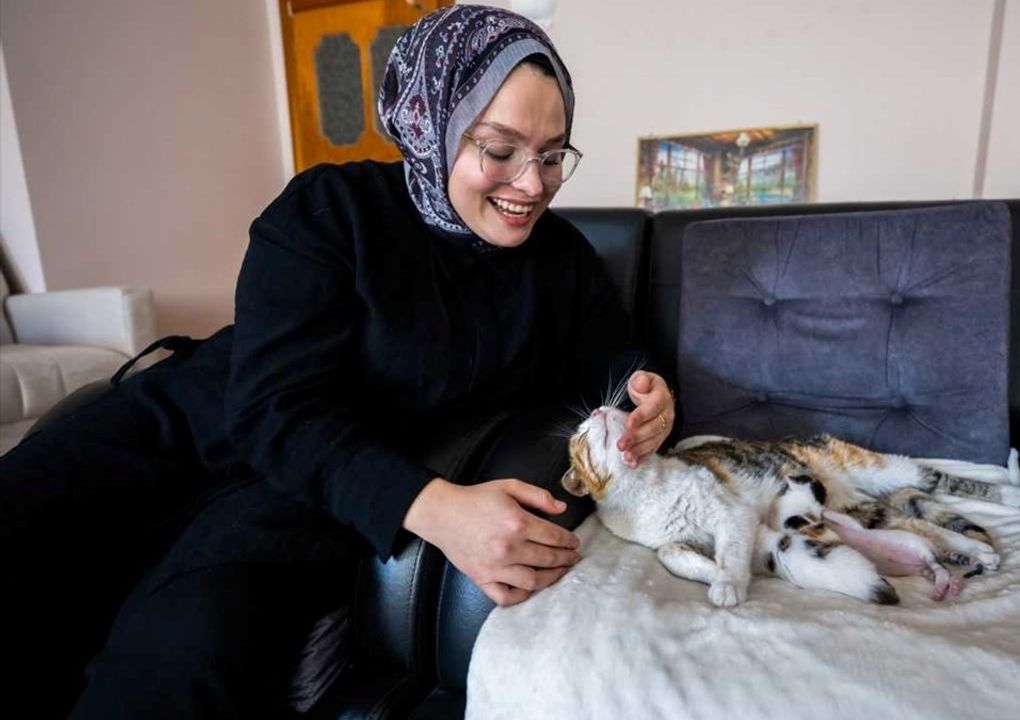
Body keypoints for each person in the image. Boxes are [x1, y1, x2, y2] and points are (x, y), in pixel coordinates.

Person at [0, 6, 675, 717]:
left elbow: (619, 364)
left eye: (551, 154)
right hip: (185, 425)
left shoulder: (561, 263)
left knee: (175, 657)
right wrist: (438, 509)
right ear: (434, 123)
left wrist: (650, 398)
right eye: (500, 149)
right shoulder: (330, 209)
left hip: (308, 488)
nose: (532, 184)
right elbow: (270, 407)